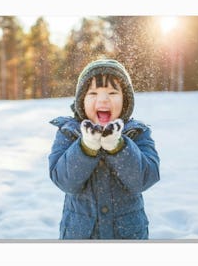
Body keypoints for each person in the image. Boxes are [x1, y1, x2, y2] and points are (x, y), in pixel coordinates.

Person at [48, 59, 160, 240]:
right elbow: (64, 180)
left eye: (112, 92)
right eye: (93, 93)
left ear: (125, 101)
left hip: (127, 235)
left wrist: (119, 147)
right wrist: (85, 147)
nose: (103, 99)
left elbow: (145, 178)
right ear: (81, 101)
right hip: (81, 236)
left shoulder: (137, 133)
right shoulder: (68, 133)